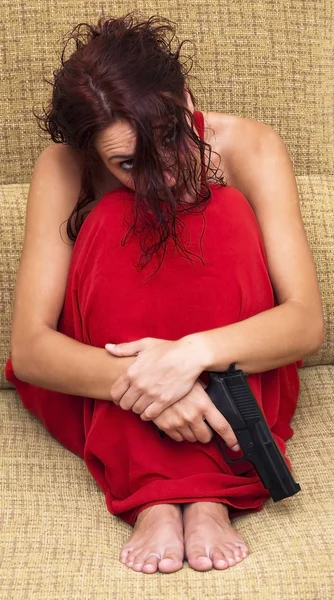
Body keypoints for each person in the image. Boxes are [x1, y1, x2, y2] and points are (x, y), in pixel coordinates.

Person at [5, 13, 323, 575]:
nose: (166, 176)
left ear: (186, 97)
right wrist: (157, 385)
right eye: (127, 163)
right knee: (113, 215)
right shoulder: (63, 169)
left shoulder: (250, 146)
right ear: (90, 153)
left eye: (173, 137)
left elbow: (302, 323)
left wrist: (188, 358)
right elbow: (31, 348)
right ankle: (157, 493)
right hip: (109, 378)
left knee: (221, 209)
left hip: (233, 373)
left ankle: (206, 497)